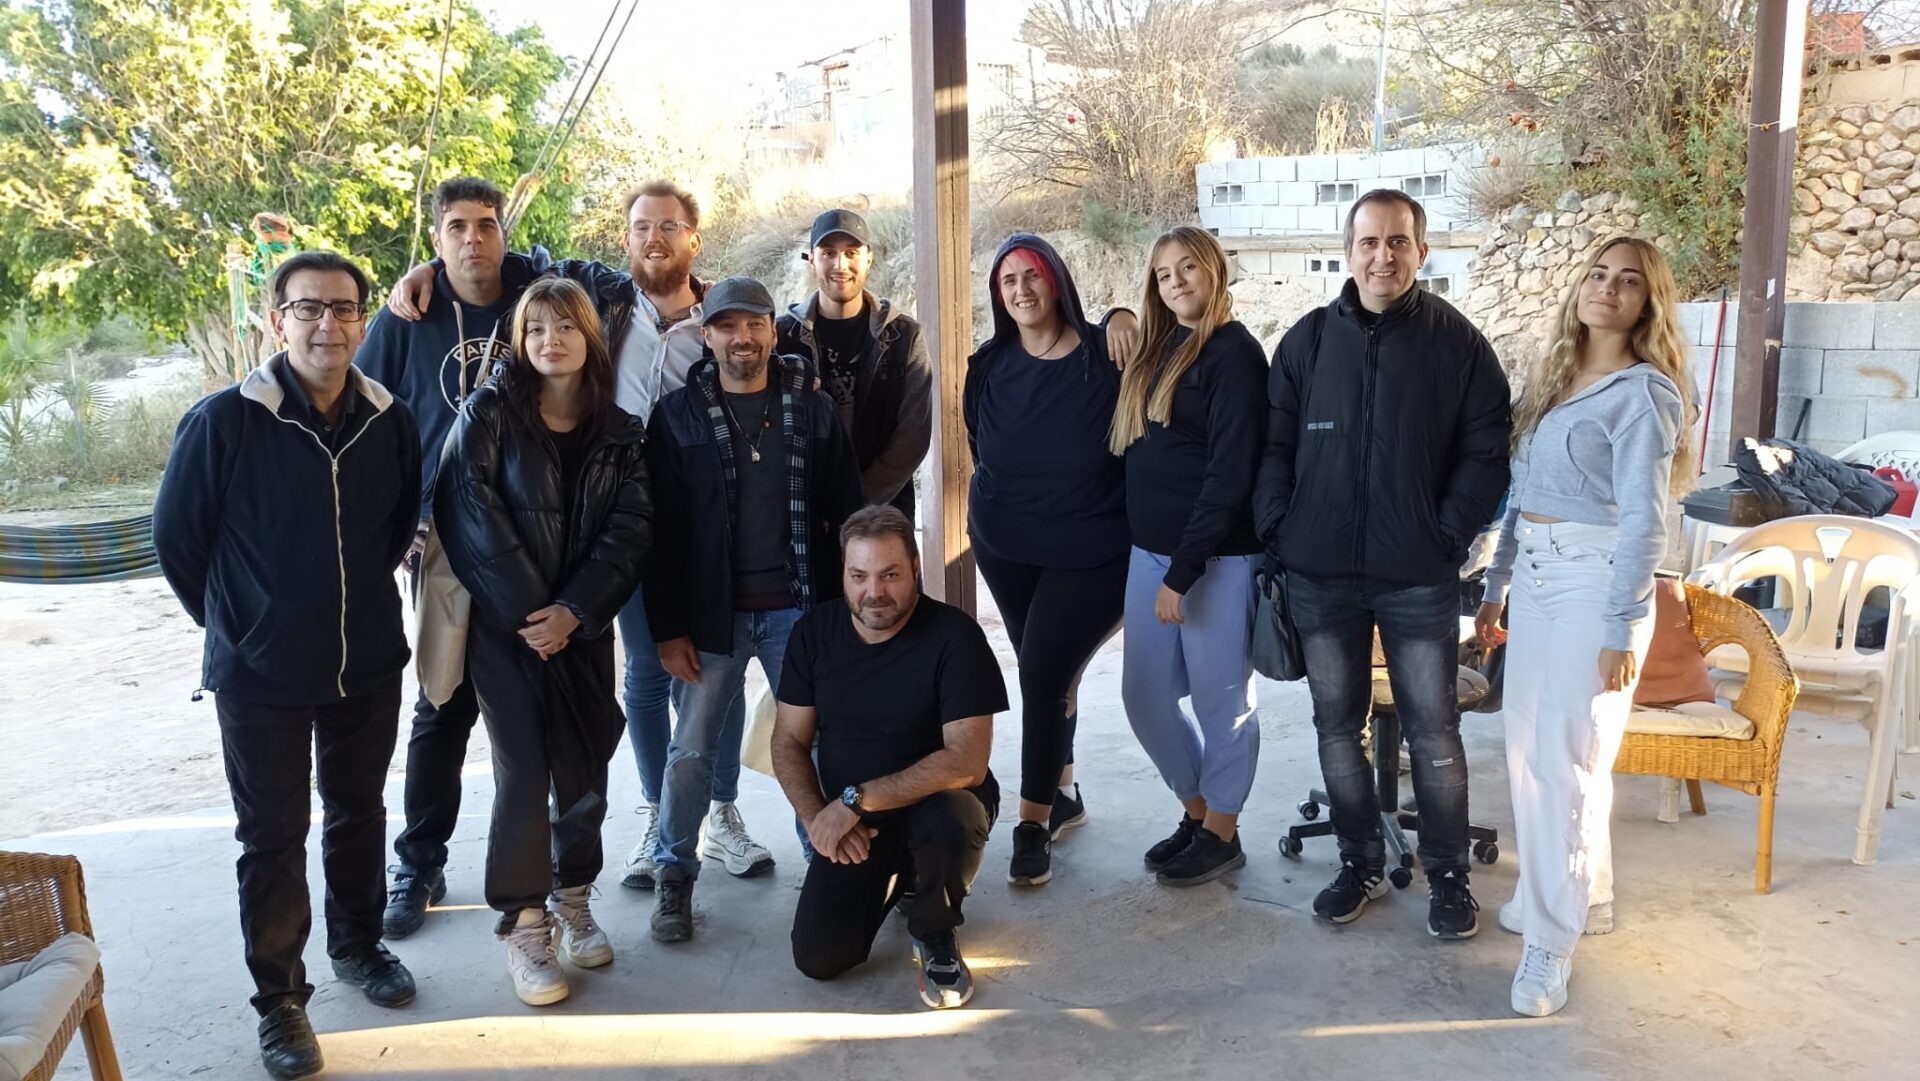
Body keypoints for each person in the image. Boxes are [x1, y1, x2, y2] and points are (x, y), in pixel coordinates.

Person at [388, 180, 768, 889]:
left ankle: (720, 811)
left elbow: (772, 360)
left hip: (696, 523)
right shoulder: (602, 296)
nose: (654, 238)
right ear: (624, 239)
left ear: (694, 237)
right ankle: (655, 814)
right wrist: (431, 269)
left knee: (713, 666)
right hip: (594, 520)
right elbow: (514, 266)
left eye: (669, 226)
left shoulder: (720, 317)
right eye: (641, 226)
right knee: (643, 674)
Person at [153, 251, 421, 1081]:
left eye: (344, 308)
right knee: (272, 835)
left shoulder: (390, 419)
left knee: (358, 811)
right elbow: (178, 540)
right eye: (309, 308)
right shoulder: (224, 421)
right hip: (258, 675)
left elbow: (394, 529)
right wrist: (241, 624)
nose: (327, 324)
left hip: (366, 660)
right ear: (279, 320)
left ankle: (358, 945)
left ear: (364, 321)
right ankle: (280, 1000)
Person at [1255, 189, 1511, 938]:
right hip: (1320, 574)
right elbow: (1273, 449)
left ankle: (1449, 876)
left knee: (1434, 731)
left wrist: (1446, 534)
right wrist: (1282, 528)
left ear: (1421, 252)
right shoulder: (1307, 342)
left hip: (1417, 576)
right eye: (1369, 242)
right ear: (1348, 251)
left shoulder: (1458, 345)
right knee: (1336, 727)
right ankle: (1359, 862)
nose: (1383, 256)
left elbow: (1487, 452)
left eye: (1398, 241)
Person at [1473, 237, 1693, 1017]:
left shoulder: (1644, 395)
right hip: (1536, 580)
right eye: (1598, 274)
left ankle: (1550, 942)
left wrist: (1621, 625)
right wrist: (1495, 588)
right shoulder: (1557, 380)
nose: (1608, 288)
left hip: (1595, 584)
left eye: (1628, 281)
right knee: (1529, 752)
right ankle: (1581, 892)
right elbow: (1521, 497)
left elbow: (1644, 521)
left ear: (1647, 303)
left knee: (1568, 761)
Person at [433, 277, 652, 1006]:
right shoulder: (489, 412)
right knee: (524, 772)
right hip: (508, 632)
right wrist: (537, 614)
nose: (549, 340)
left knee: (584, 768)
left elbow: (630, 532)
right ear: (518, 342)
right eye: (535, 329)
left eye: (564, 326)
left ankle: (574, 898)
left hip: (581, 631)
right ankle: (525, 923)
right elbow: (468, 510)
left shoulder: (622, 432)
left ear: (590, 337)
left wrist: (573, 613)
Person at [643, 276, 863, 943]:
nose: (742, 338)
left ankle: (824, 860)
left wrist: (846, 612)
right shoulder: (676, 417)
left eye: (754, 324)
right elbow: (658, 534)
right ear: (706, 337)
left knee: (816, 742)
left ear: (773, 330)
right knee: (691, 750)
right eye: (726, 326)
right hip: (711, 617)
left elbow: (847, 511)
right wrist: (668, 629)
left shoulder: (812, 409)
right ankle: (674, 872)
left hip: (799, 609)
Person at [356, 176, 545, 939]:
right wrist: (398, 520)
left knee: (537, 708)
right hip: (444, 542)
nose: (473, 239)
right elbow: (366, 417)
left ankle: (548, 873)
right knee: (442, 704)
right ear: (437, 239)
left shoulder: (537, 296)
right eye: (457, 227)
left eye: (486, 224)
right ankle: (419, 862)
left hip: (535, 535)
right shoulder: (407, 317)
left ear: (505, 233)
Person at [772, 505, 1006, 1009]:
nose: (874, 592)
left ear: (915, 569)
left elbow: (968, 760)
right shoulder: (813, 633)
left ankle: (934, 927)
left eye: (890, 575)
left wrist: (854, 799)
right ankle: (904, 877)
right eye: (859, 576)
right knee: (819, 958)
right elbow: (788, 740)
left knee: (951, 818)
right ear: (843, 574)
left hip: (936, 804)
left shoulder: (955, 636)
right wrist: (817, 819)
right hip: (859, 823)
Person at [962, 233, 1130, 886]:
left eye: (1032, 274)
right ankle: (1062, 792)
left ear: (1055, 278)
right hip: (1005, 548)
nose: (1022, 289)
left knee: (1040, 673)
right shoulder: (987, 365)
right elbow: (980, 443)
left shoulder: (1104, 355)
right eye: (1008, 280)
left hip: (1091, 553)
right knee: (1052, 671)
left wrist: (1122, 314)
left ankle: (1031, 823)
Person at [1111, 226, 1268, 887]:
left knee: (1220, 702)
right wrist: (1114, 316)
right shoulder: (1156, 347)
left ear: (1214, 271)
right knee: (1144, 696)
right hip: (1149, 554)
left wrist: (1184, 570)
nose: (1175, 281)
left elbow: (1230, 475)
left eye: (1187, 268)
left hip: (1216, 561)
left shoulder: (1235, 355)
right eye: (1163, 273)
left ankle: (1222, 832)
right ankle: (1198, 811)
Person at [775, 208, 932, 521]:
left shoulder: (903, 335)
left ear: (869, 258)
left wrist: (858, 500)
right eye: (828, 253)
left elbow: (913, 434)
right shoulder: (781, 337)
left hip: (884, 508)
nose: (840, 265)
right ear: (811, 259)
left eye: (851, 253)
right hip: (807, 511)